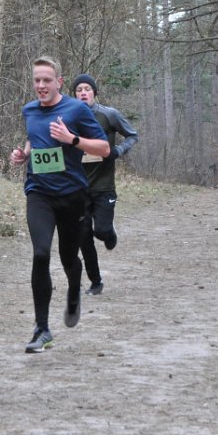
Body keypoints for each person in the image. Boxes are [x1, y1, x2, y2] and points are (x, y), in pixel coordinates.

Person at [10, 56, 109, 353]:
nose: (41, 85)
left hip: (72, 195)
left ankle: (74, 291)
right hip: (39, 193)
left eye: (47, 80)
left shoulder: (76, 109)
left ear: (59, 82)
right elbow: (34, 139)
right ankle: (42, 329)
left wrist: (72, 139)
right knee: (41, 253)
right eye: (37, 80)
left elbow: (104, 148)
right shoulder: (29, 110)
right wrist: (24, 155)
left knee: (68, 258)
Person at [72, 73, 139, 296]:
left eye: (87, 89)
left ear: (94, 92)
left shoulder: (108, 115)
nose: (83, 93)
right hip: (78, 188)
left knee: (100, 231)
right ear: (74, 95)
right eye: (79, 90)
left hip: (103, 185)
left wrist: (118, 151)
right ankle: (96, 282)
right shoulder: (68, 117)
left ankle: (109, 233)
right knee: (83, 236)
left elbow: (132, 135)